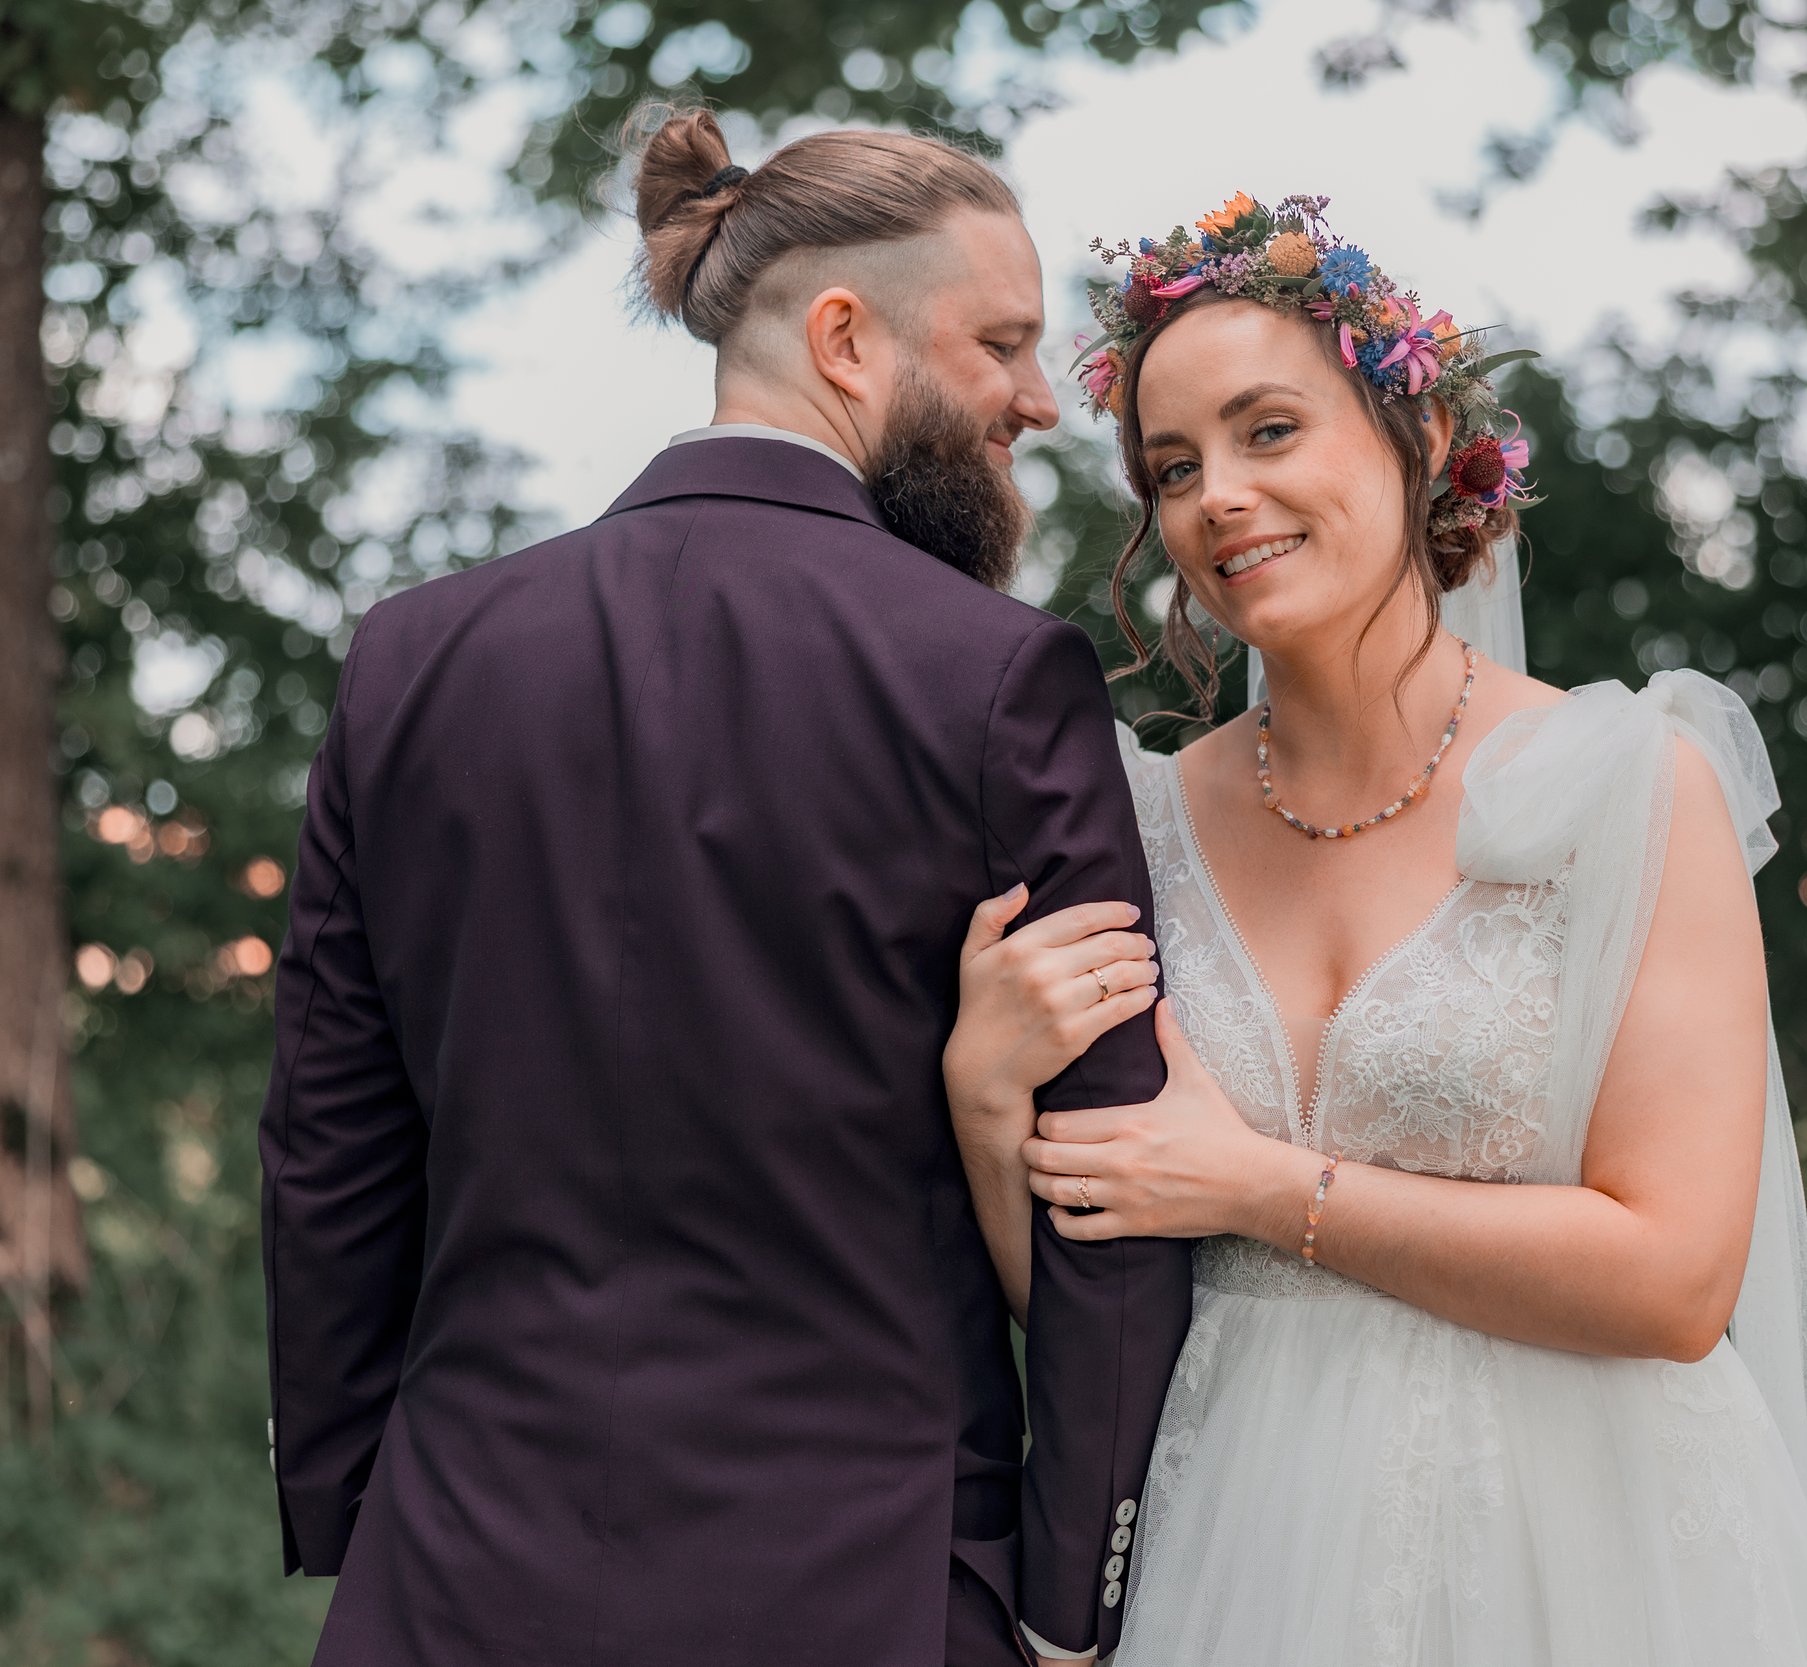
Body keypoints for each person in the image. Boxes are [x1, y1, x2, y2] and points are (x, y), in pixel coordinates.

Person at [258, 108, 1191, 1667]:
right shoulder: (998, 678)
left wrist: (358, 1519)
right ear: (843, 337)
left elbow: (330, 1145)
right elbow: (1112, 1168)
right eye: (1004, 345)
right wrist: (1064, 1599)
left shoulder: (412, 660)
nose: (1038, 399)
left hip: (450, 1577)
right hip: (873, 1588)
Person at [944, 194, 1807, 1665]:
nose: (1217, 498)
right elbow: (1086, 1277)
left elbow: (1679, 1278)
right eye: (1172, 467)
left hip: (1587, 1554)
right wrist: (988, 1097)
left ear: (1420, 441)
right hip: (1231, 1548)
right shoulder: (1134, 824)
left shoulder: (1624, 786)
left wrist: (1258, 1188)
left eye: (1268, 431)